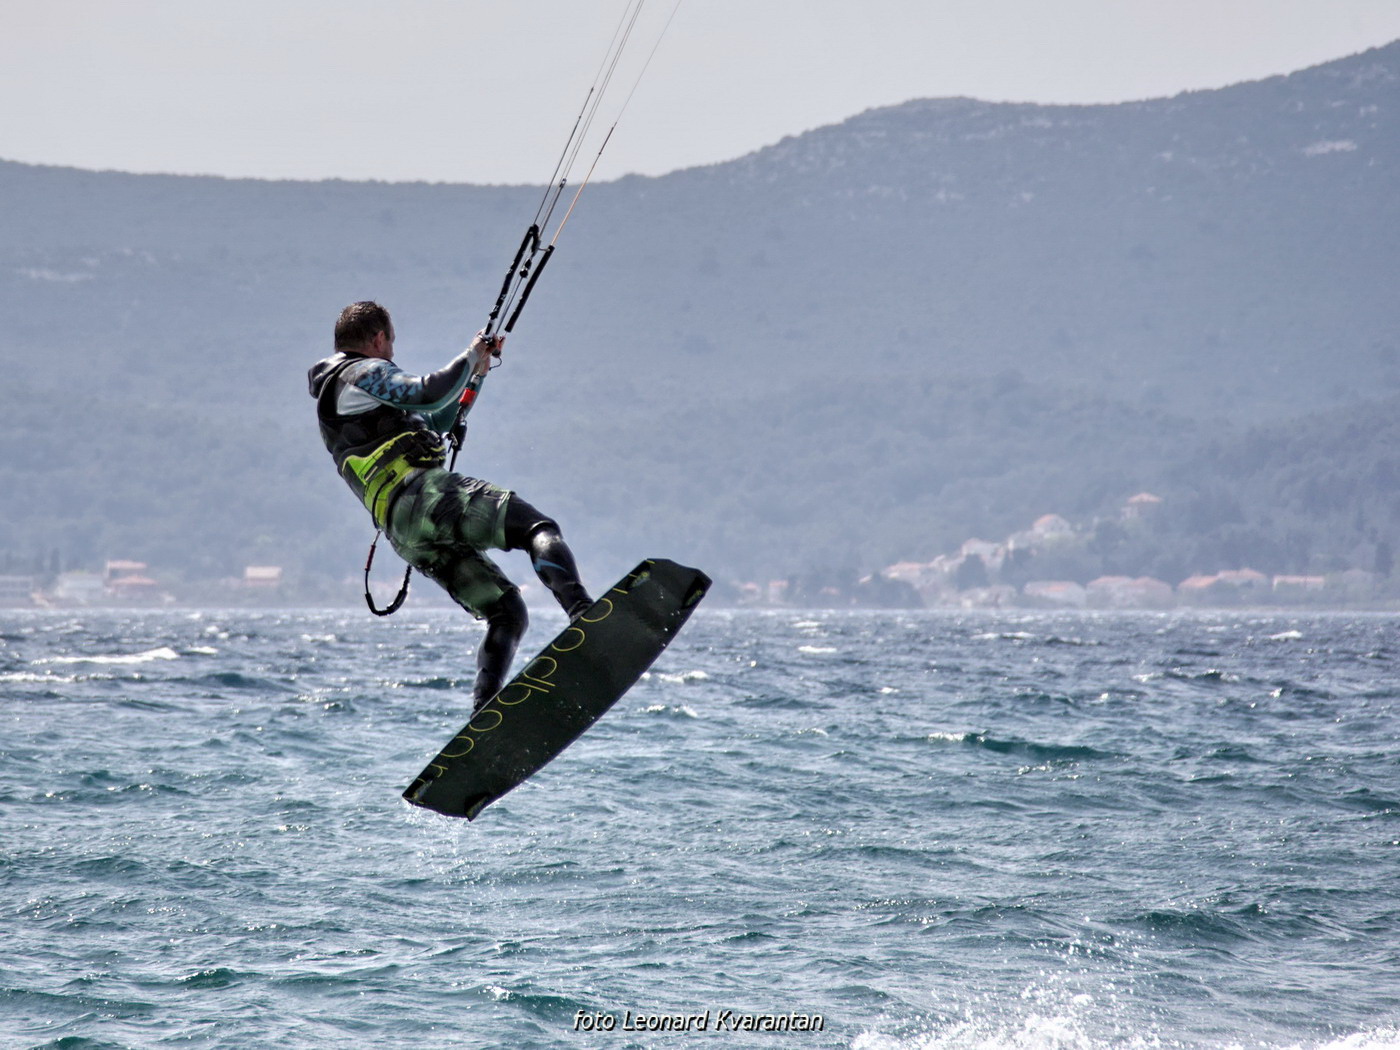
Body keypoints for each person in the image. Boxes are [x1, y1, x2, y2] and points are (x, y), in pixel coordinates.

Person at [308, 301, 592, 710]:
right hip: (424, 498)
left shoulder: (341, 400)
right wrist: (472, 352)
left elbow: (437, 419)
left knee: (508, 612)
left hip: (404, 532)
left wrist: (476, 374)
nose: (391, 355)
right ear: (377, 339)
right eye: (390, 345)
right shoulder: (361, 372)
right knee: (537, 530)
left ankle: (483, 713)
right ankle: (585, 616)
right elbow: (426, 391)